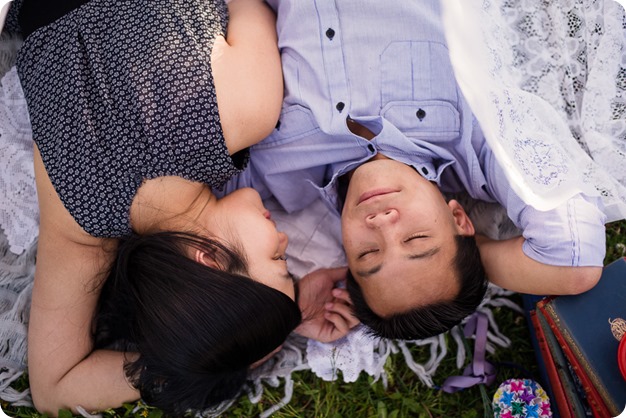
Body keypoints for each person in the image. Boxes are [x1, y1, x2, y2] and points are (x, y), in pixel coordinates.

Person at [15, 0, 356, 415]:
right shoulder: (82, 227)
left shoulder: (247, 110)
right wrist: (197, 357)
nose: (283, 235)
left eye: (278, 256)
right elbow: (56, 387)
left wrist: (235, 344)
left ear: (209, 259)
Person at [220, 0, 609, 340]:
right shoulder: (480, 142)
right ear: (459, 218)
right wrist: (467, 258)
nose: (383, 222)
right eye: (417, 239)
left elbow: (187, 240)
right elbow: (574, 265)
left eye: (368, 253)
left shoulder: (272, 181)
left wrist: (290, 311)